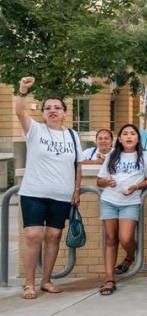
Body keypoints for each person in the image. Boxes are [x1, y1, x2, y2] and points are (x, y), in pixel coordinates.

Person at [14, 76, 82, 300]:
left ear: (64, 112)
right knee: (34, 235)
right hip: (34, 193)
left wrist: (76, 190)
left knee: (53, 237)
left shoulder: (72, 136)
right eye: (48, 108)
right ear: (42, 112)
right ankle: (29, 283)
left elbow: (78, 165)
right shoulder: (35, 130)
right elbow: (20, 112)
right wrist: (23, 91)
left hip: (61, 195)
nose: (53, 111)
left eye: (57, 107)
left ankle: (46, 281)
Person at [95, 124, 147, 295]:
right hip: (109, 200)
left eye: (132, 133)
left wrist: (135, 186)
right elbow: (99, 181)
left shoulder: (146, 156)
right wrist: (107, 182)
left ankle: (130, 256)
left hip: (130, 202)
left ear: (138, 138)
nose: (129, 136)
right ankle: (109, 280)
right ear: (120, 139)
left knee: (125, 237)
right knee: (110, 239)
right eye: (125, 134)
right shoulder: (112, 156)